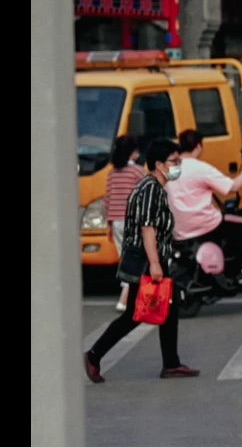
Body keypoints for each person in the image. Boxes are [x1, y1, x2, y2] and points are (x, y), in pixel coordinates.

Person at [82, 139, 200, 382]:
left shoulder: (156, 187)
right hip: (146, 262)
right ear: (159, 164)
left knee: (167, 307)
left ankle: (171, 363)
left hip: (151, 258)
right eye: (174, 161)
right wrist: (156, 264)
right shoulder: (149, 188)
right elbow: (147, 228)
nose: (178, 166)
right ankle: (94, 355)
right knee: (136, 315)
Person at [168, 130, 242, 284]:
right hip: (204, 224)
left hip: (179, 228)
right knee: (240, 227)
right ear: (198, 146)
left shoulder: (170, 170)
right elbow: (232, 187)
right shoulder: (201, 168)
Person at [104, 135, 146, 311]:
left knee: (125, 259)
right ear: (132, 153)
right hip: (133, 222)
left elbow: (108, 199)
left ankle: (131, 297)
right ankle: (125, 300)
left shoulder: (112, 173)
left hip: (117, 222)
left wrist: (109, 224)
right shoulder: (137, 171)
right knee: (136, 260)